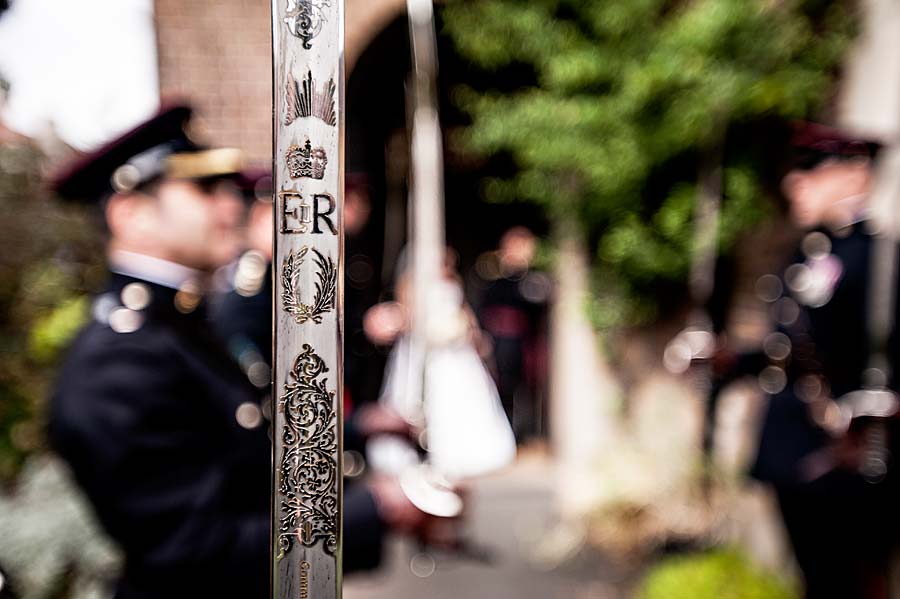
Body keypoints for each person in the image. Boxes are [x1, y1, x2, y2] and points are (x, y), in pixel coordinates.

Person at [46, 106, 419, 599]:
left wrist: (355, 431)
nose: (230, 205)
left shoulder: (177, 324)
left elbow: (246, 439)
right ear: (130, 214)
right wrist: (374, 513)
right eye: (205, 190)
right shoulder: (118, 361)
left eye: (228, 189)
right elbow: (195, 554)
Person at [750, 122, 900, 599]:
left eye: (813, 168)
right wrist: (726, 359)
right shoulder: (805, 253)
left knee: (855, 582)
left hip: (851, 454)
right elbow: (787, 350)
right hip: (792, 444)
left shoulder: (880, 258)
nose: (796, 182)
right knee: (815, 579)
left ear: (857, 175)